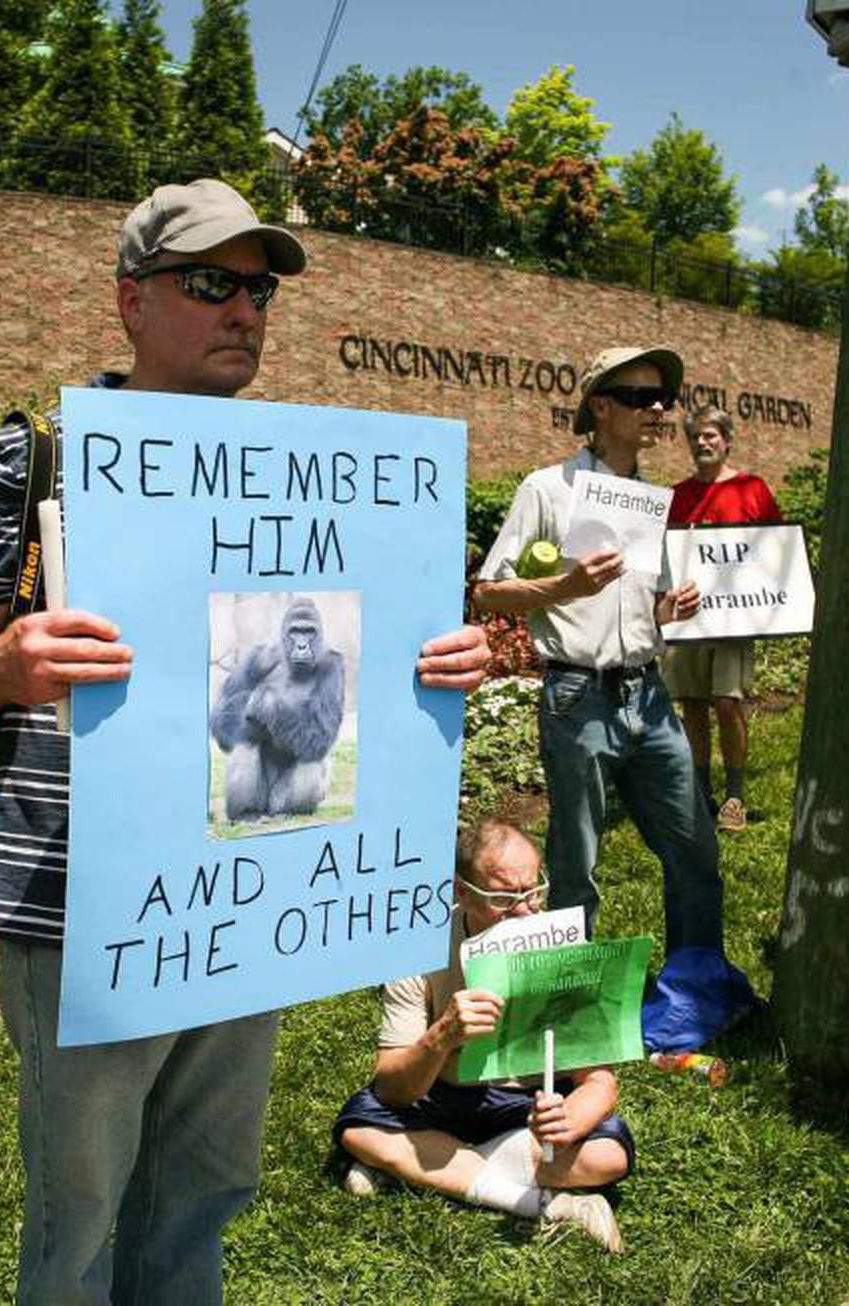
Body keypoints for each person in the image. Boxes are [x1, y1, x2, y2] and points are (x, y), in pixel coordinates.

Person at [0, 178, 490, 1305]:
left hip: (245, 898)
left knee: (202, 1197)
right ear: (131, 300)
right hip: (88, 911)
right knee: (78, 1218)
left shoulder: (314, 472)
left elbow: (359, 661)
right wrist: (6, 663)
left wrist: (439, 664)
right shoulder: (38, 456)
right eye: (209, 283)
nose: (244, 312)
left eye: (259, 290)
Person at [471, 345, 721, 946]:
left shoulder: (648, 500)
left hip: (649, 694)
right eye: (641, 398)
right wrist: (566, 585)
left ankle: (698, 980)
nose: (658, 409)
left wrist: (669, 610)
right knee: (575, 863)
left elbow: (645, 607)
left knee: (694, 847)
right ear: (601, 407)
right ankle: (571, 1000)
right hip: (578, 695)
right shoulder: (546, 489)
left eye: (663, 398)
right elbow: (486, 592)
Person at [331, 820, 632, 1254]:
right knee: (359, 1131)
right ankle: (545, 1204)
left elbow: (600, 1082)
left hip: (529, 1109)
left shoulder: (560, 943)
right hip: (441, 1097)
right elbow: (393, 1088)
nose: (526, 910)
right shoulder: (418, 948)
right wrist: (441, 1038)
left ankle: (423, 1163)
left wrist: (571, 1120)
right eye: (505, 899)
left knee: (608, 1156)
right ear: (462, 892)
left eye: (534, 891)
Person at [661, 406, 783, 831]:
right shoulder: (675, 496)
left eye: (710, 435)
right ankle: (700, 791)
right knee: (692, 704)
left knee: (728, 703)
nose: (702, 443)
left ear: (727, 440)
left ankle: (735, 795)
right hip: (688, 616)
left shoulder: (752, 489)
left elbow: (777, 551)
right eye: (695, 436)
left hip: (735, 618)